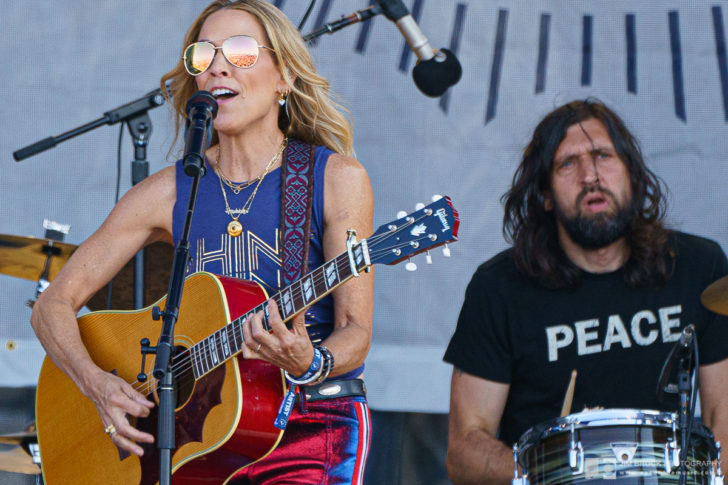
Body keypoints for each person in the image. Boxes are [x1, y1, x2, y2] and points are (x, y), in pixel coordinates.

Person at [30, 0, 374, 483]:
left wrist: (311, 360)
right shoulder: (169, 190)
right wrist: (97, 385)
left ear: (286, 77)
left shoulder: (336, 179)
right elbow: (52, 306)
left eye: (240, 52)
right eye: (203, 54)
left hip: (309, 427)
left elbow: (356, 330)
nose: (217, 66)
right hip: (200, 435)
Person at [443, 99, 728, 484]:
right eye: (567, 163)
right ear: (545, 195)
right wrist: (543, 472)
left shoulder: (699, 267)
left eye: (603, 156)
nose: (590, 176)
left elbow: (722, 415)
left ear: (632, 174)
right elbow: (464, 450)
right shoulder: (500, 288)